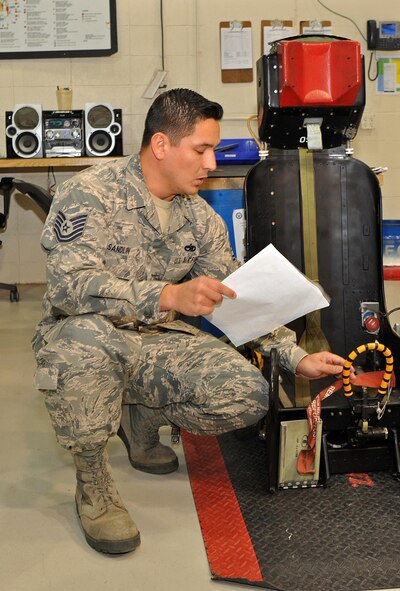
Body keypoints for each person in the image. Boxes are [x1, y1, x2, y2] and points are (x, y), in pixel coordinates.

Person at [32, 88, 346, 555]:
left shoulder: (198, 217)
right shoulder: (90, 192)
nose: (211, 163)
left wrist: (294, 356)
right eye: (200, 149)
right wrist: (167, 294)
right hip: (84, 332)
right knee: (84, 346)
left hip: (155, 339)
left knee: (247, 394)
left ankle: (142, 417)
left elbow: (236, 298)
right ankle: (93, 485)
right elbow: (67, 286)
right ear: (161, 146)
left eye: (214, 150)